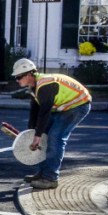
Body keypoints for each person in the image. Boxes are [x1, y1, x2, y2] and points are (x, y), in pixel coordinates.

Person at [12, 58, 92, 190]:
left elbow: (44, 112)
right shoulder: (34, 86)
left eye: (19, 77)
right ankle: (42, 173)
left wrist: (37, 135)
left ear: (29, 74)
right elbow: (35, 110)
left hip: (78, 105)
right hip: (63, 107)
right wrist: (32, 132)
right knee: (43, 136)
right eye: (16, 77)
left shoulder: (45, 85)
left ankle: (50, 178)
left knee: (55, 137)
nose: (17, 80)